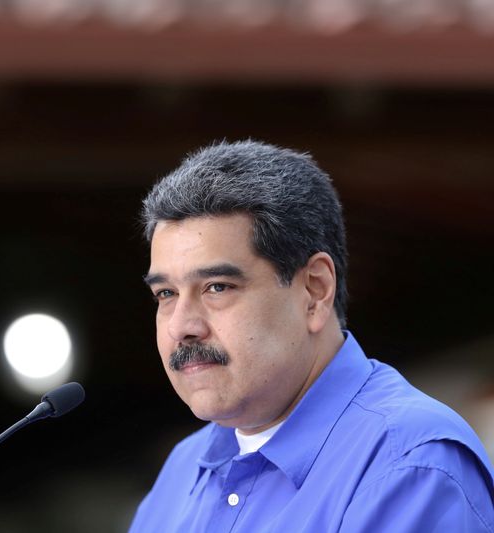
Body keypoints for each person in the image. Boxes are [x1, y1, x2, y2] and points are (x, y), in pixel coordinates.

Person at [129, 140, 494, 532]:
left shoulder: (410, 465)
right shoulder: (183, 469)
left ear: (315, 290)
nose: (181, 326)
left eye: (217, 287)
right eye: (166, 294)